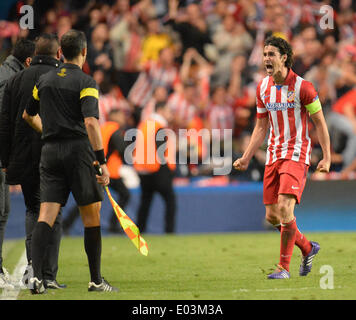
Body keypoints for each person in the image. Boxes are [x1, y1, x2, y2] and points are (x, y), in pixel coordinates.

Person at [23, 29, 117, 294]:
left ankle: (37, 277)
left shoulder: (44, 80)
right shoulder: (86, 81)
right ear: (84, 52)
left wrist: (50, 131)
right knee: (91, 214)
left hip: (50, 151)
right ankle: (96, 280)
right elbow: (90, 122)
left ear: (61, 53)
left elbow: (28, 115)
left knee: (47, 215)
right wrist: (102, 161)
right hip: (78, 152)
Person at [233, 36, 331, 279]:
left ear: (284, 57)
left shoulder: (303, 87)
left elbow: (320, 122)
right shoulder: (262, 88)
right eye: (265, 54)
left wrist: (326, 158)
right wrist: (246, 156)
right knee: (272, 216)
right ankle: (308, 248)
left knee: (286, 208)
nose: (267, 58)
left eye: (271, 54)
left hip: (296, 154)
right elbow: (260, 127)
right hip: (273, 155)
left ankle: (283, 268)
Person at [0, 34, 66, 290]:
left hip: (24, 156)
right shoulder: (60, 78)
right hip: (54, 153)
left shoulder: (15, 80)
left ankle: (32, 270)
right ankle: (48, 274)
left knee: (32, 209)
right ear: (57, 53)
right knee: (54, 211)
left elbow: (4, 124)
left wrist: (6, 160)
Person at [0, 38, 35, 289]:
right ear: (28, 61)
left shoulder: (8, 73)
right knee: (0, 212)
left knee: (3, 212)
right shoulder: (8, 79)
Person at [62, 109, 130, 234]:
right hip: (109, 171)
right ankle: (113, 225)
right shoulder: (115, 130)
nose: (123, 118)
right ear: (114, 116)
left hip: (96, 167)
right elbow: (122, 150)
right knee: (124, 195)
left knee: (89, 199)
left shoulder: (103, 128)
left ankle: (66, 224)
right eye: (121, 114)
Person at [133, 101, 176, 233]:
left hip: (143, 170)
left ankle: (140, 230)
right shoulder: (159, 126)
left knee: (145, 201)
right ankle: (169, 231)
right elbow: (161, 150)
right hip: (157, 169)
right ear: (161, 110)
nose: (171, 114)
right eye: (168, 111)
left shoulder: (144, 124)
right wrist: (169, 171)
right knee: (170, 200)